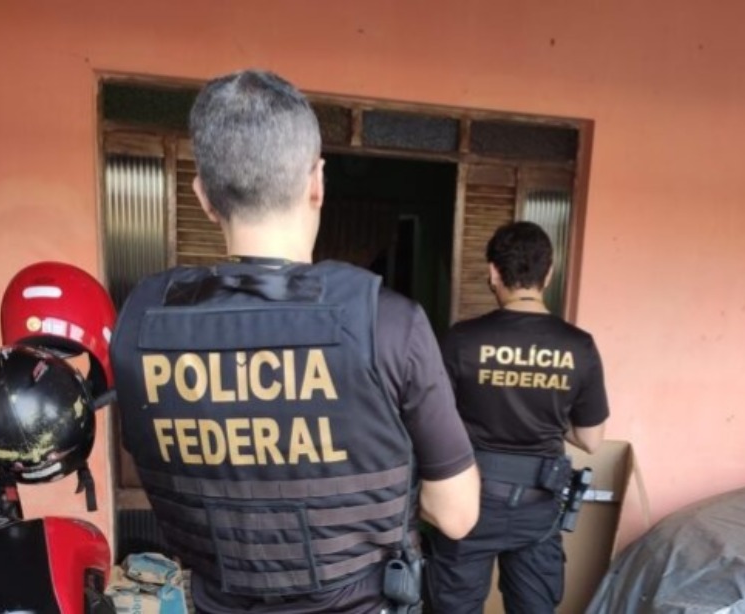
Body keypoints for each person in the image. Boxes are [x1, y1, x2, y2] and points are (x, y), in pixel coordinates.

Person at [109, 69, 480, 614]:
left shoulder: (141, 324)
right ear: (317, 183)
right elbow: (456, 515)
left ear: (204, 196)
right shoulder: (388, 323)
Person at [427, 221, 610, 614]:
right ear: (549, 272)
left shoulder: (462, 339)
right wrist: (550, 414)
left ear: (493, 272)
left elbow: (432, 422)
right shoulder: (579, 346)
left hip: (468, 501)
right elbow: (591, 439)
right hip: (538, 505)